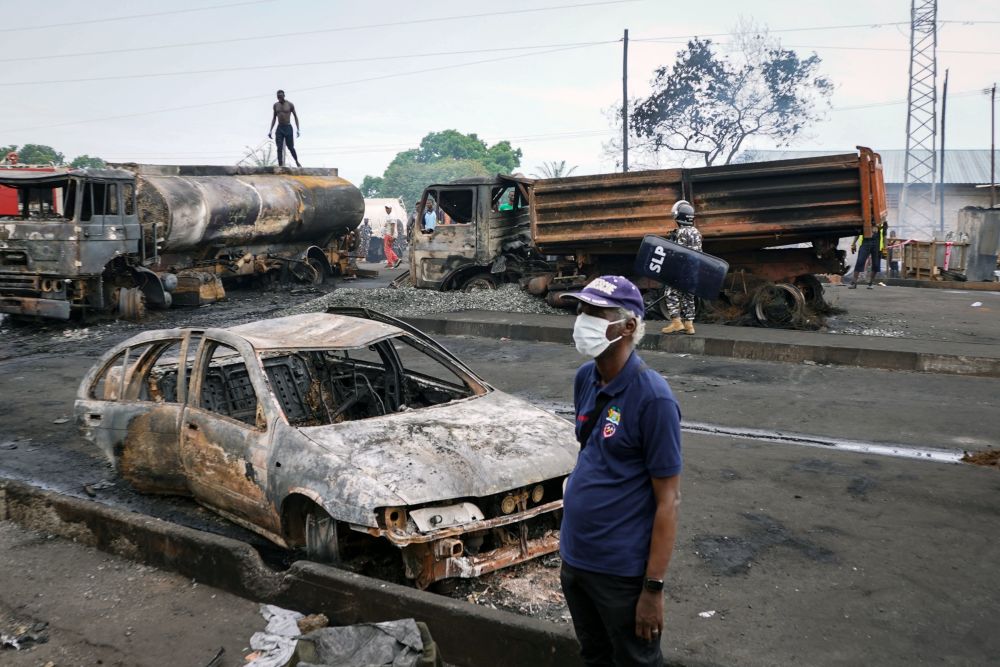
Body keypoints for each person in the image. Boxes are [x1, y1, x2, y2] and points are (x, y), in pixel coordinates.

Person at [559, 275, 682, 667]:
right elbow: (593, 455)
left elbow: (668, 502)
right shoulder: (586, 379)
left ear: (628, 326)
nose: (583, 320)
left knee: (635, 661)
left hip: (620, 573)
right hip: (576, 560)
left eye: (596, 313)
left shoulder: (654, 398)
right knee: (594, 656)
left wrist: (653, 590)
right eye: (581, 310)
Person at [661, 200, 703, 335]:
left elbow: (677, 253)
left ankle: (676, 323)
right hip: (693, 271)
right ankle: (689, 325)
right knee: (688, 296)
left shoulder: (680, 233)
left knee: (670, 293)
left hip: (681, 270)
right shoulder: (697, 232)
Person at [268, 89, 301, 167]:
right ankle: (280, 164)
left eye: (281, 96)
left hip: (288, 127)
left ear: (284, 96)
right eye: (278, 97)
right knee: (279, 147)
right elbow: (274, 118)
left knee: (290, 147)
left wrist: (298, 129)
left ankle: (297, 161)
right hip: (280, 128)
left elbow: (296, 117)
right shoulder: (275, 105)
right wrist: (270, 130)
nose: (279, 98)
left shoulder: (290, 104)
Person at [849, 220, 886, 289]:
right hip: (865, 243)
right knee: (860, 261)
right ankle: (854, 282)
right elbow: (858, 233)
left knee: (876, 264)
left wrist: (885, 249)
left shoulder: (882, 223)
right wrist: (853, 244)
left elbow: (884, 236)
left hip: (876, 245)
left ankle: (870, 283)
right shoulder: (864, 220)